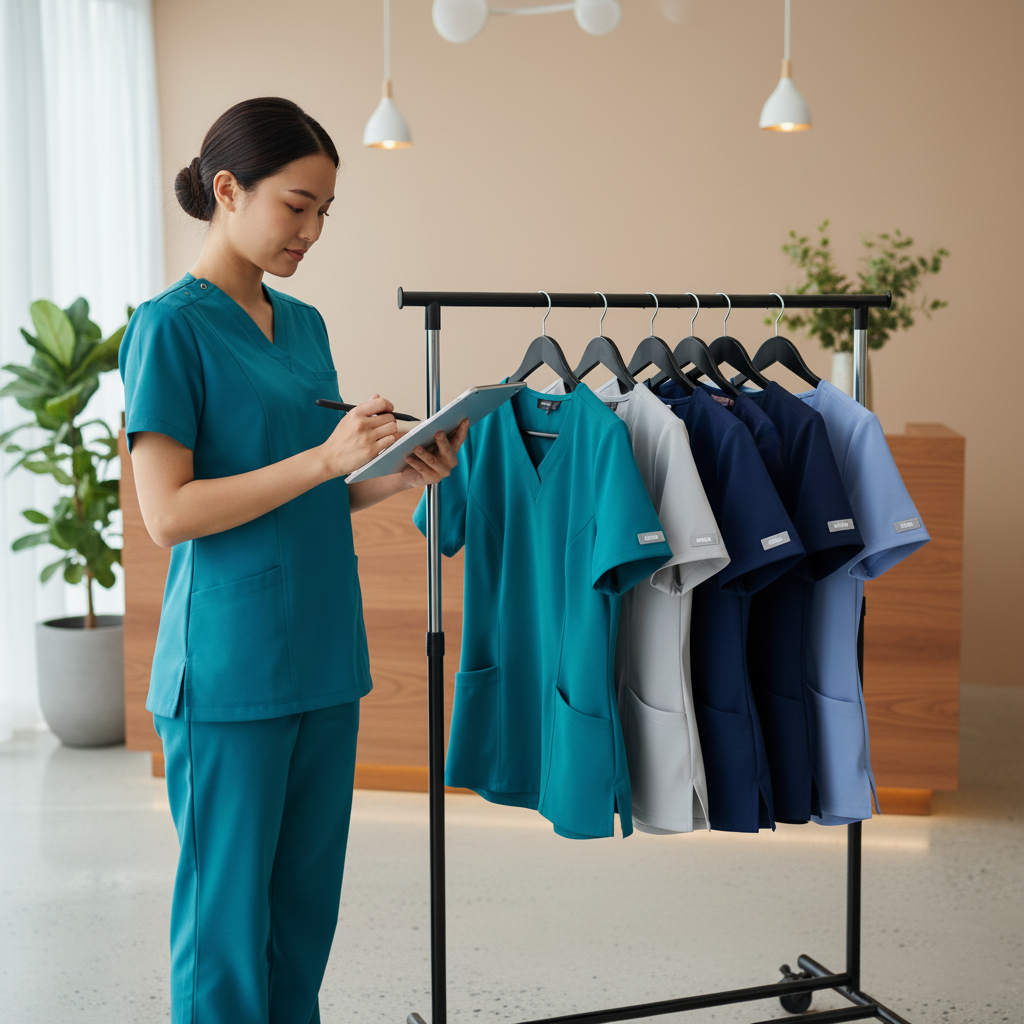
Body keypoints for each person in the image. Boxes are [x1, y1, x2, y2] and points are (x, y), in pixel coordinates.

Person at [119, 96, 468, 1024]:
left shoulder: (304, 325)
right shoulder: (169, 329)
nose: (311, 231)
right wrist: (324, 457)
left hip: (322, 652)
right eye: (296, 206)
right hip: (229, 669)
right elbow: (169, 514)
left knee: (303, 916)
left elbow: (318, 488)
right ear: (227, 190)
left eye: (324, 213)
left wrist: (393, 473)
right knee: (227, 921)